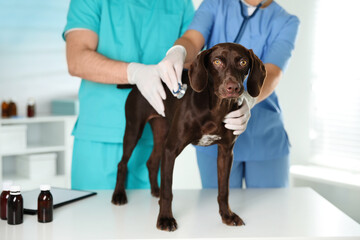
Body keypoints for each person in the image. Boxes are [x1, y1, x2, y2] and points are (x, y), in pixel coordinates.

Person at [158, 0, 300, 188]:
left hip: (264, 135)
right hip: (211, 126)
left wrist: (249, 99)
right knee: (215, 207)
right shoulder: (215, 4)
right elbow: (192, 40)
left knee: (269, 208)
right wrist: (179, 51)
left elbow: (272, 72)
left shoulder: (286, 21)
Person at [63, 0, 194, 190]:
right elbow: (76, 59)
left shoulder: (179, 3)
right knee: (92, 217)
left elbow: (194, 56)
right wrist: (134, 72)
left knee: (150, 216)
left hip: (157, 141)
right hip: (100, 137)